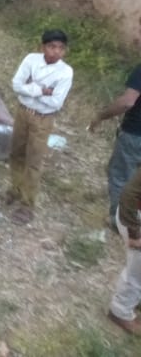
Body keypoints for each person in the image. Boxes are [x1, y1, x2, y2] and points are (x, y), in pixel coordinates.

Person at [4, 30, 73, 225]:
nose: (56, 51)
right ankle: (15, 189)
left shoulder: (65, 72)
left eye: (60, 48)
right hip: (23, 112)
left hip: (43, 119)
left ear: (65, 51)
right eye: (52, 46)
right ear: (43, 47)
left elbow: (56, 102)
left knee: (34, 161)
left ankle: (27, 204)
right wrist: (42, 90)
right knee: (16, 153)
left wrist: (30, 89)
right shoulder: (31, 60)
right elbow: (16, 85)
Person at [88, 65, 141, 226]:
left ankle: (121, 222)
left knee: (121, 176)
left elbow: (127, 102)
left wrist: (100, 116)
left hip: (135, 134)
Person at [106, 164, 141, 336]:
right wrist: (135, 233)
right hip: (135, 219)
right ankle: (120, 312)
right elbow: (128, 196)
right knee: (137, 274)